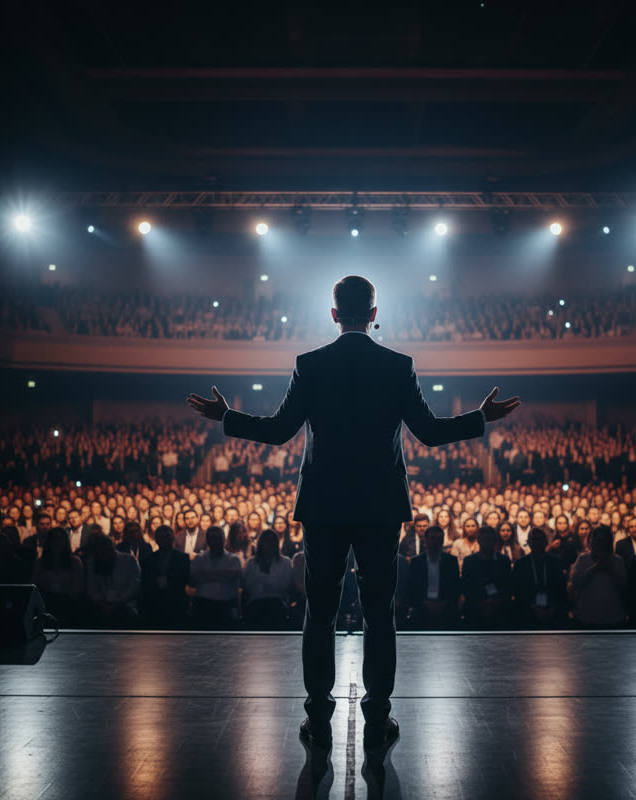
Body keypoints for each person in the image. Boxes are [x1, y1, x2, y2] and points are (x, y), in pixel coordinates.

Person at [187, 274, 520, 749]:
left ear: (334, 314)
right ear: (374, 314)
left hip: (323, 505)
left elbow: (279, 431)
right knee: (380, 613)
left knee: (320, 612)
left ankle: (317, 716)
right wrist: (480, 417)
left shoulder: (309, 364)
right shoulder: (398, 365)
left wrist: (226, 416)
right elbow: (429, 433)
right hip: (380, 506)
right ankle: (378, 717)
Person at [568, 526, 627, 628]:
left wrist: (609, 569)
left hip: (612, 616)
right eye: (598, 540)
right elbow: (576, 583)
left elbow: (623, 586)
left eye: (603, 540)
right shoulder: (583, 558)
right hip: (586, 616)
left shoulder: (617, 560)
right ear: (592, 541)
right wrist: (595, 568)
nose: (600, 544)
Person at [511, 527, 567, 629]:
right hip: (528, 615)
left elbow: (561, 589)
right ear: (529, 542)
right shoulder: (520, 564)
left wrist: (552, 608)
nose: (537, 542)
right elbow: (517, 591)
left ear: (546, 542)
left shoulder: (556, 562)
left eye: (540, 539)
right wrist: (533, 609)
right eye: (534, 539)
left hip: (553, 614)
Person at [407, 526, 461, 629]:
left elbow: (455, 586)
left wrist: (443, 603)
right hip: (422, 608)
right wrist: (425, 603)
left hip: (445, 608)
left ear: (442, 541)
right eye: (432, 538)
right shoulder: (416, 562)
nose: (436, 542)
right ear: (426, 540)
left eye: (439, 539)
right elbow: (412, 587)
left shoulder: (451, 561)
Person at [190, 526, 242, 629]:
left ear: (224, 538)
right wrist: (223, 574)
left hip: (226, 605)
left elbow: (232, 576)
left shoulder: (234, 559)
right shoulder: (199, 559)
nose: (215, 541)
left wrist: (206, 574)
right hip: (203, 605)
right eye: (212, 537)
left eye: (218, 537)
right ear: (207, 540)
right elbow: (195, 577)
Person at [31, 526, 85, 626]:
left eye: (60, 538)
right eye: (54, 539)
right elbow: (35, 585)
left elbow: (78, 587)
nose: (57, 542)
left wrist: (66, 599)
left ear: (65, 541)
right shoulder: (41, 562)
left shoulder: (75, 562)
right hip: (47, 603)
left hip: (68, 604)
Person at [461, 526, 512, 629]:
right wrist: (481, 603)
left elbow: (508, 586)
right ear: (479, 541)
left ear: (495, 541)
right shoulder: (469, 561)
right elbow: (466, 587)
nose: (487, 543)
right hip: (476, 609)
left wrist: (495, 602)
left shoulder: (504, 561)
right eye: (484, 540)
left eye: (489, 540)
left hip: (499, 609)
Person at [243, 529, 294, 629]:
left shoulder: (285, 562)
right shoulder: (251, 563)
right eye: (266, 541)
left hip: (277, 603)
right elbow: (248, 586)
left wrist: (261, 583)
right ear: (260, 543)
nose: (269, 544)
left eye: (272, 541)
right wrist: (272, 583)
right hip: (255, 603)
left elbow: (286, 585)